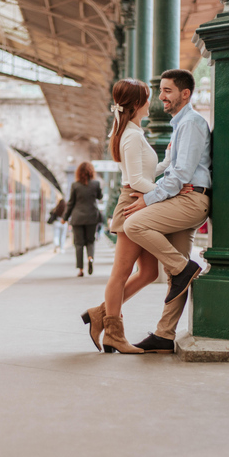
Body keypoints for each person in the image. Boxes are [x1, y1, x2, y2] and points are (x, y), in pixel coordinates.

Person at [80, 78, 175, 354]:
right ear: (137, 104)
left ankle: (100, 314)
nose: (151, 102)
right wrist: (165, 193)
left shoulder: (134, 132)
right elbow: (136, 180)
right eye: (147, 97)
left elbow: (144, 173)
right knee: (121, 274)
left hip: (139, 201)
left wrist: (167, 162)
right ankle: (113, 334)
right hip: (134, 202)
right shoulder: (131, 136)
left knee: (147, 272)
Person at [122, 69, 212, 354]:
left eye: (168, 91)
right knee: (177, 278)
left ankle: (185, 269)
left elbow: (183, 172)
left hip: (191, 201)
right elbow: (171, 169)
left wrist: (150, 197)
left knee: (133, 225)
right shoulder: (181, 124)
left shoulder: (192, 124)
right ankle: (164, 335)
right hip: (185, 198)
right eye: (160, 91)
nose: (161, 97)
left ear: (185, 94)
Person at [63, 162, 102, 277]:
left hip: (78, 217)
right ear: (91, 172)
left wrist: (65, 217)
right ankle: (90, 258)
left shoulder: (75, 185)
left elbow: (71, 203)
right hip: (91, 216)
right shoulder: (96, 184)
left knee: (79, 244)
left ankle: (80, 269)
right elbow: (100, 197)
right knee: (90, 241)